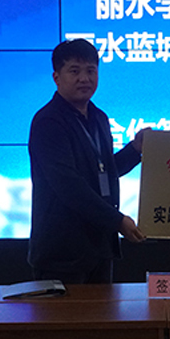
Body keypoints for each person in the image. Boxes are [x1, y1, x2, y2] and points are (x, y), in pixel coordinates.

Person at [28, 38, 147, 284]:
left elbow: (104, 170)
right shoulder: (48, 122)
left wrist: (135, 149)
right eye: (74, 71)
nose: (84, 78)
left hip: (99, 248)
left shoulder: (99, 117)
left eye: (91, 71)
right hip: (62, 254)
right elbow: (68, 185)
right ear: (56, 77)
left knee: (103, 311)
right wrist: (117, 221)